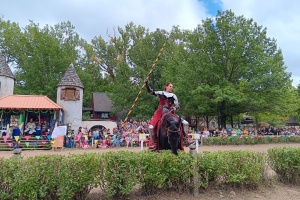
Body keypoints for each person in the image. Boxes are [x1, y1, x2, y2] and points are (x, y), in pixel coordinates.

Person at [145, 79, 189, 150]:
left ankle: (186, 139)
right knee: (151, 127)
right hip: (160, 112)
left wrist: (175, 107)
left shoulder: (174, 95)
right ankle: (154, 143)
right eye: (170, 86)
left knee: (186, 123)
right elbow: (150, 92)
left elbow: (177, 105)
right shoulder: (161, 93)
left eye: (172, 87)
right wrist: (146, 84)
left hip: (170, 112)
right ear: (166, 87)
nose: (171, 88)